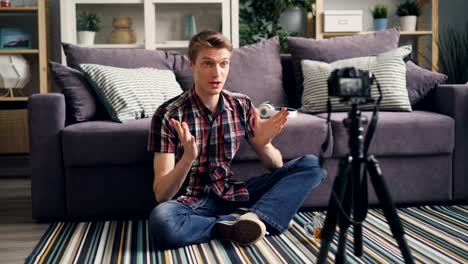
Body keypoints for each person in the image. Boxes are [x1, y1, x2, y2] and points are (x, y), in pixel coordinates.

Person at [147, 30, 324, 249]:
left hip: (233, 193)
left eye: (223, 64)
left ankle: (254, 219)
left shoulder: (241, 105)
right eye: (208, 64)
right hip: (191, 204)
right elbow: (162, 195)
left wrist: (263, 145)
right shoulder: (168, 114)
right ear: (191, 64)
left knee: (313, 164)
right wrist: (187, 158)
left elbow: (276, 168)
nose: (217, 73)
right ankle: (232, 224)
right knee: (162, 223)